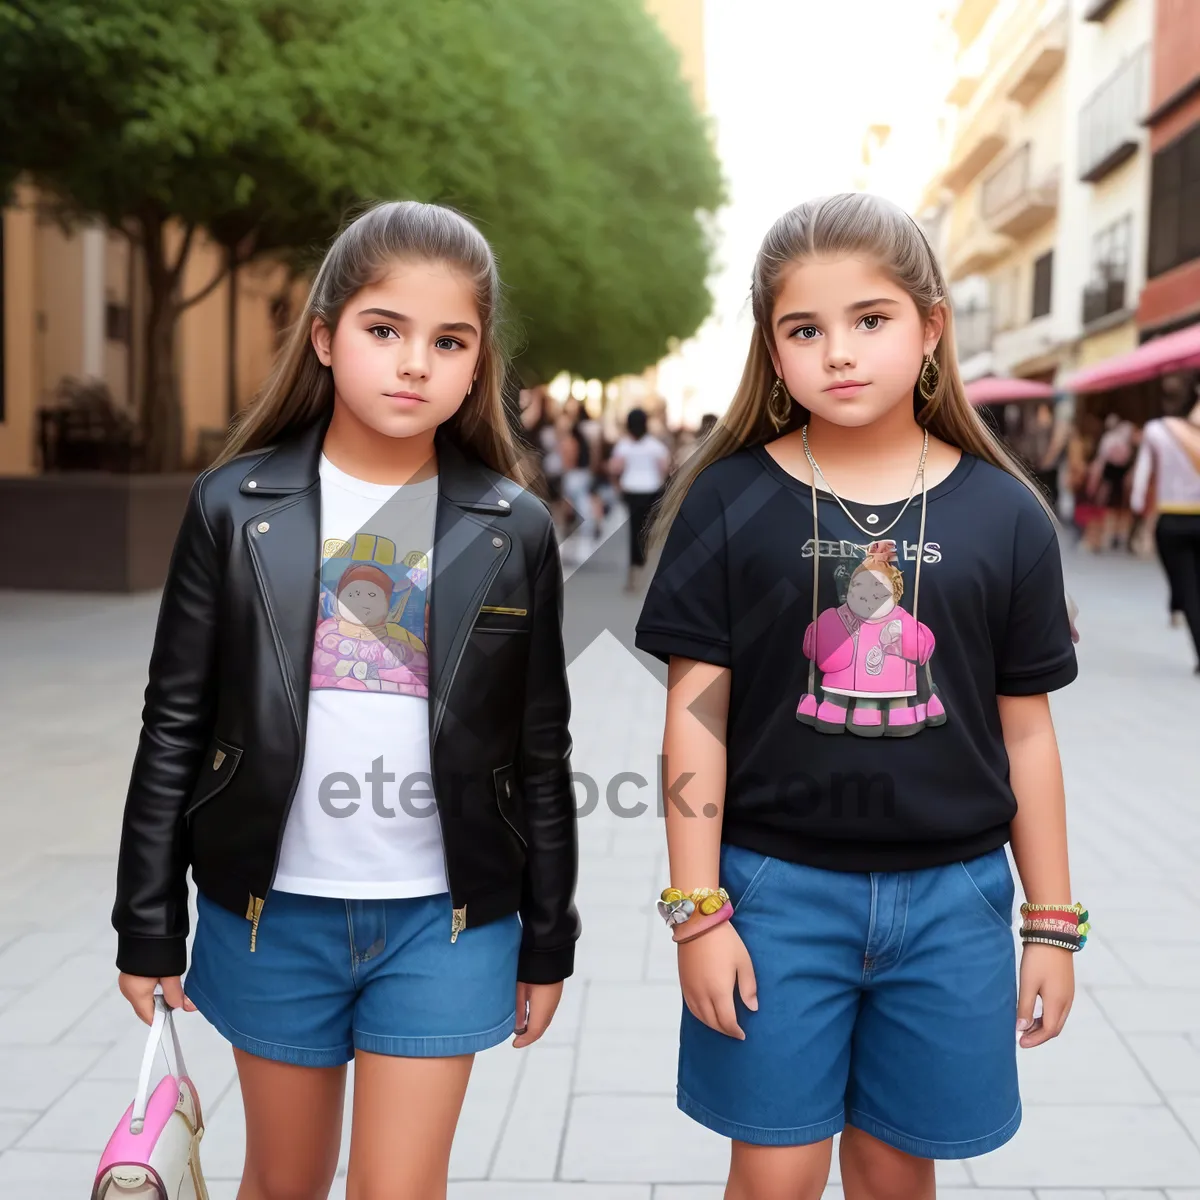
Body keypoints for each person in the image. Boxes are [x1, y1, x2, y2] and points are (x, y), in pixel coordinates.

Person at [112, 201, 580, 1199]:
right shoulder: (232, 508)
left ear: (476, 364)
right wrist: (146, 922)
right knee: (283, 1182)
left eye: (448, 340)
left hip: (445, 924)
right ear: (326, 336)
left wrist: (550, 935)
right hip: (268, 915)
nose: (415, 362)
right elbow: (174, 726)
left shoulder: (514, 528)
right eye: (385, 330)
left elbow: (540, 747)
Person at [634, 193, 1083, 1200]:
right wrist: (698, 911)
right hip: (771, 893)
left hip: (955, 903)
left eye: (870, 320)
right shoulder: (730, 499)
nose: (839, 351)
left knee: (893, 1171)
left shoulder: (1007, 514)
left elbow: (1028, 734)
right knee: (778, 1173)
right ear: (773, 348)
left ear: (929, 328)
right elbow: (694, 717)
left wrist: (1050, 920)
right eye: (806, 328)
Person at [1130, 387, 1200, 674]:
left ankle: (1179, 606)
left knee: (1187, 587)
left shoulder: (1156, 430)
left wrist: (1138, 511)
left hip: (1172, 519)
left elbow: (1142, 479)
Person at [609, 406, 672, 592]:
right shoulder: (655, 446)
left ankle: (633, 575)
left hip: (632, 490)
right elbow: (664, 469)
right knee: (648, 531)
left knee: (634, 531)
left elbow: (615, 468)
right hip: (652, 490)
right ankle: (645, 569)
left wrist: (618, 486)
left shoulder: (624, 445)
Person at [1087, 412, 1137, 552]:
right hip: (1112, 474)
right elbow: (1102, 460)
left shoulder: (1123, 435)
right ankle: (1111, 536)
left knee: (1120, 507)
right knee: (1111, 507)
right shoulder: (1110, 438)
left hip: (1119, 474)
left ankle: (1118, 535)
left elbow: (1101, 459)